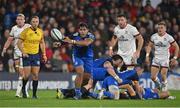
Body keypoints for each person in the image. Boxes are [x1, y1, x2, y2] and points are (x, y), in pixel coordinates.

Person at [63, 22, 95, 99]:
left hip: (88, 58)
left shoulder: (91, 36)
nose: (82, 31)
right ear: (78, 30)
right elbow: (65, 39)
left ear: (88, 30)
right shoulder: (74, 35)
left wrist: (73, 41)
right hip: (77, 56)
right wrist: (59, 43)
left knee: (88, 77)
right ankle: (77, 93)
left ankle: (83, 92)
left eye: (84, 30)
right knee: (80, 71)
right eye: (81, 30)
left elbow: (86, 43)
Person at [17, 16, 47, 98]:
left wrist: (44, 54)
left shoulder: (40, 32)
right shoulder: (25, 31)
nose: (35, 23)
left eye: (36, 21)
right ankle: (23, 89)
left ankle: (34, 95)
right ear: (31, 22)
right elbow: (18, 43)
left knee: (36, 75)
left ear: (38, 22)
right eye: (33, 21)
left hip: (36, 55)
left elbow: (42, 43)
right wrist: (23, 52)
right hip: (27, 55)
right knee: (27, 75)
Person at [1, 14, 30, 97]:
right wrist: (4, 49)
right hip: (16, 53)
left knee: (23, 73)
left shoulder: (28, 27)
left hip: (24, 53)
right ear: (16, 20)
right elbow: (9, 40)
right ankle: (22, 90)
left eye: (21, 19)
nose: (19, 20)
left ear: (24, 20)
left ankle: (21, 92)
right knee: (20, 73)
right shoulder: (14, 28)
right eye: (18, 19)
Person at [145, 21, 179, 91]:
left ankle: (165, 93)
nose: (160, 29)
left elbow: (177, 47)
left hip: (165, 59)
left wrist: (175, 58)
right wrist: (147, 56)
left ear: (165, 29)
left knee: (163, 76)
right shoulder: (154, 36)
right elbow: (149, 46)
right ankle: (159, 85)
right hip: (156, 58)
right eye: (158, 28)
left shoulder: (169, 37)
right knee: (153, 77)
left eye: (161, 28)